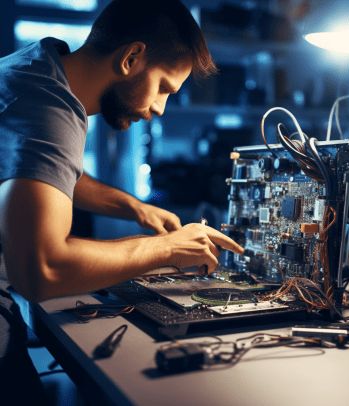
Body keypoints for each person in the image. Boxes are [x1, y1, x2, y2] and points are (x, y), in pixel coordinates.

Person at [0, 0, 244, 401]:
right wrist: (166, 248)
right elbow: (41, 272)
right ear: (132, 57)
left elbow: (40, 171)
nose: (159, 109)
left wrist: (134, 208)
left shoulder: (33, 68)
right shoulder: (50, 108)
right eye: (164, 87)